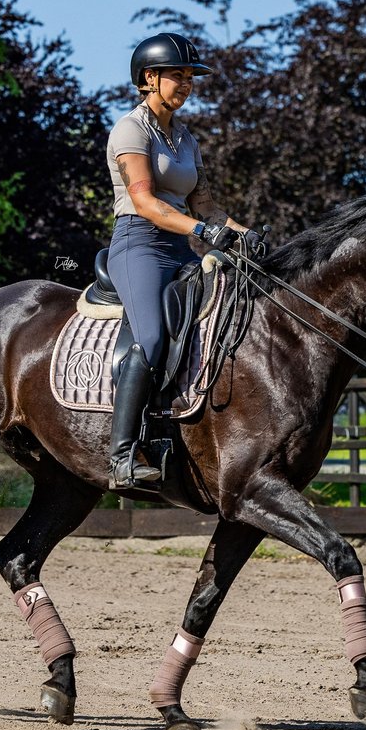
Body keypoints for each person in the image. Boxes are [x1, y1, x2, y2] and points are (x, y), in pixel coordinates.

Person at [105, 32, 253, 490]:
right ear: (149, 78)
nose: (186, 84)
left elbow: (206, 206)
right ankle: (123, 456)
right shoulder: (130, 130)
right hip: (139, 245)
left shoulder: (186, 138)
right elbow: (146, 202)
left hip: (181, 248)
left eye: (191, 77)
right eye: (177, 76)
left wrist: (252, 237)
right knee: (150, 338)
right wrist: (202, 232)